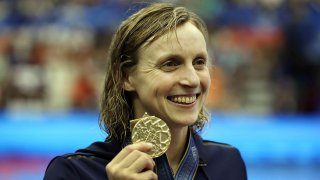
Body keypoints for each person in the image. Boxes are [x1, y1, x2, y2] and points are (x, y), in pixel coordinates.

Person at [44, 3, 247, 180]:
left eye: (199, 62)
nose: (192, 79)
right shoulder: (74, 173)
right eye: (170, 64)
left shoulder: (228, 164)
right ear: (126, 77)